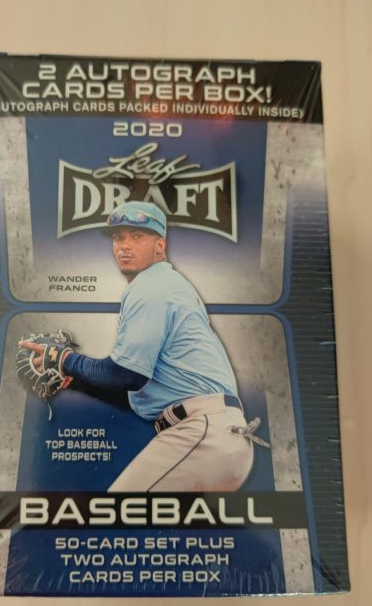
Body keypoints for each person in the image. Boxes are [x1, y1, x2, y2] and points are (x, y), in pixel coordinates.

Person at [21, 201, 260, 492]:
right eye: (118, 237)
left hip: (202, 433)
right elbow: (134, 392)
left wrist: (63, 359)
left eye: (137, 236)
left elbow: (125, 375)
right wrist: (75, 380)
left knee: (117, 512)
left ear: (160, 245)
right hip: (222, 436)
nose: (124, 245)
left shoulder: (151, 285)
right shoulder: (168, 285)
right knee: (156, 522)